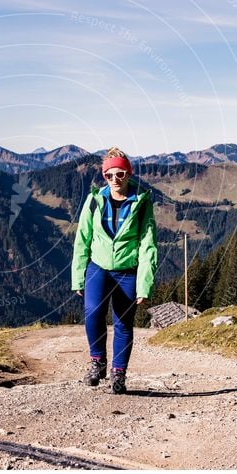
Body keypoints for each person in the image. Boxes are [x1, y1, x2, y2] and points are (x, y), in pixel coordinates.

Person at [71, 147, 158, 394]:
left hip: (127, 271)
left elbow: (148, 245)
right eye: (110, 175)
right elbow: (82, 239)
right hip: (97, 267)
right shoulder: (94, 200)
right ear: (104, 176)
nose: (115, 180)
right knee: (93, 313)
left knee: (123, 324)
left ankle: (118, 374)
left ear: (128, 174)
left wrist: (144, 284)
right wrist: (78, 277)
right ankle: (97, 361)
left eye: (120, 174)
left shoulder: (142, 203)